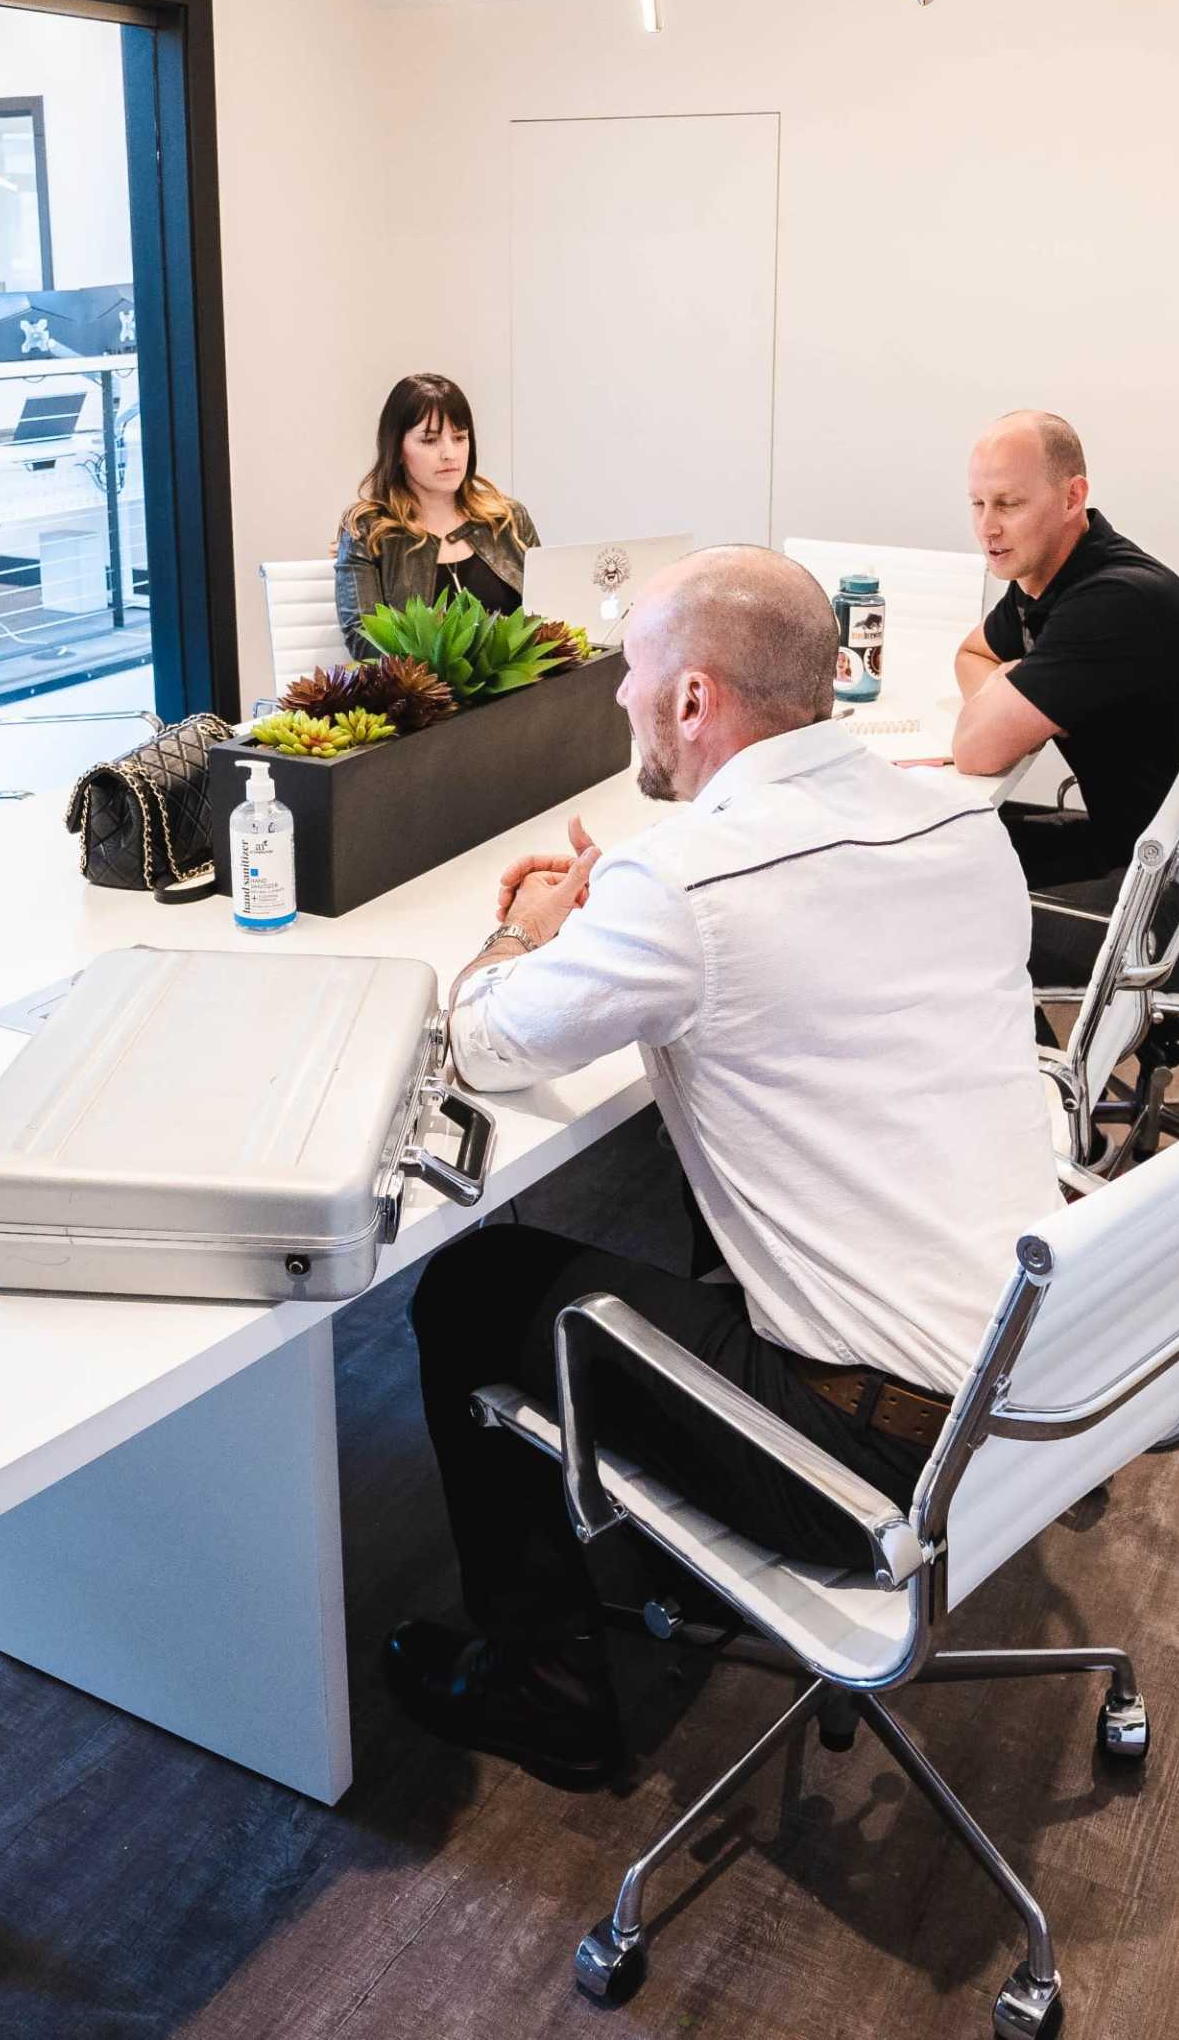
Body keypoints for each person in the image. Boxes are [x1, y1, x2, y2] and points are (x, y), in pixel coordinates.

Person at [384, 547, 1060, 1788]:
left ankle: (549, 1687)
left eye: (632, 672)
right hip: (1039, 1373)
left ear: (693, 698)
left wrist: (523, 935)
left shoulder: (685, 881)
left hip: (876, 1460)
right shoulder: (964, 821)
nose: (618, 696)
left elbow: (481, 1042)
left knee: (473, 1288)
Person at [947, 411, 1179, 998]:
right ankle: (1025, 1048)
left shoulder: (1115, 600)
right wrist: (1007, 690)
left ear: (1072, 497)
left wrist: (1005, 704)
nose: (988, 527)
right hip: (1140, 856)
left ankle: (1037, 1060)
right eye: (977, 504)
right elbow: (973, 652)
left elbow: (975, 750)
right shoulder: (1047, 582)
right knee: (947, 852)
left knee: (955, 934)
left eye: (1009, 504)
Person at [336, 371, 538, 634]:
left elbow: (551, 616)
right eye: (429, 440)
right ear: (396, 448)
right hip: (414, 665)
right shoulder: (366, 530)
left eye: (460, 437)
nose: (449, 454)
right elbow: (364, 638)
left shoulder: (509, 519)